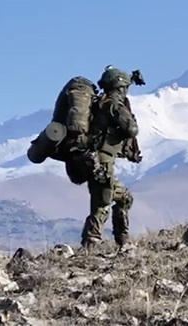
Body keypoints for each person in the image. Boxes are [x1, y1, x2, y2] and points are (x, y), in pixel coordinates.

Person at [80, 65, 138, 249]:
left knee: (122, 198)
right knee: (102, 200)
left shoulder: (101, 103)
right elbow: (131, 128)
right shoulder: (113, 104)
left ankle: (122, 239)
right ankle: (92, 242)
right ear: (120, 87)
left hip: (95, 159)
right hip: (101, 160)